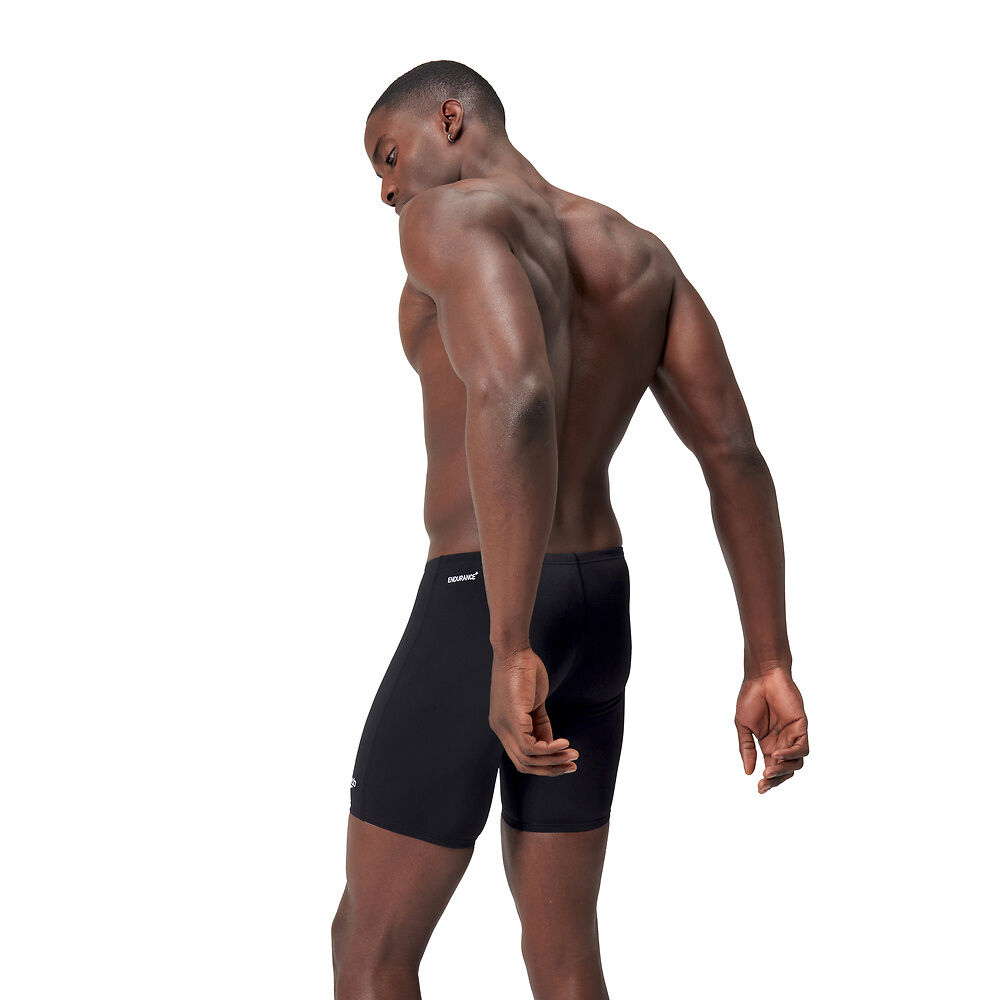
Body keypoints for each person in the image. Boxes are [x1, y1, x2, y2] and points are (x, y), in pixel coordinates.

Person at [332, 59, 809, 1000]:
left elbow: (516, 394)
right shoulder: (639, 256)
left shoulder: (446, 218)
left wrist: (509, 644)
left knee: (369, 947)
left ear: (451, 120)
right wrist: (769, 659)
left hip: (486, 603)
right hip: (598, 606)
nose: (385, 188)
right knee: (562, 956)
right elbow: (733, 453)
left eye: (388, 156)